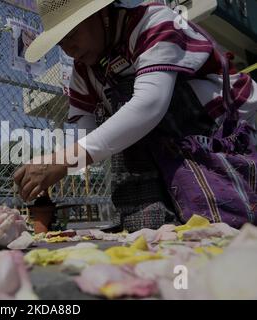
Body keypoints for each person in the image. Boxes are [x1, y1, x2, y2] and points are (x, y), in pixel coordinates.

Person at [13, 0, 257, 231]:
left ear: (101, 15)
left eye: (72, 34)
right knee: (117, 127)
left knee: (132, 102)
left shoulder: (154, 21)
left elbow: (150, 105)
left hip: (231, 133)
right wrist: (52, 165)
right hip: (170, 145)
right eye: (61, 42)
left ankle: (216, 210)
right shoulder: (84, 73)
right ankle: (152, 220)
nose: (69, 48)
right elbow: (88, 137)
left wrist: (63, 161)